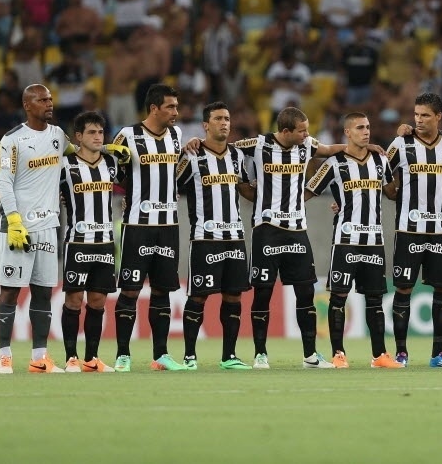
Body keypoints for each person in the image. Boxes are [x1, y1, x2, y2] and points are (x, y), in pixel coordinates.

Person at [235, 107, 379, 369]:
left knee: (305, 293)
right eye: (302, 131)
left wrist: (366, 148)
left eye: (307, 130)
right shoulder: (258, 144)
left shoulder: (307, 145)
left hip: (297, 231)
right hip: (266, 230)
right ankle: (260, 354)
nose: (307, 135)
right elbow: (227, 148)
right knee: (263, 293)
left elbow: (328, 149)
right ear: (286, 131)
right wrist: (198, 144)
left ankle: (310, 355)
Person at [305, 112, 402, 368]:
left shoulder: (380, 161)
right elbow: (309, 191)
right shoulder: (334, 163)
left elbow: (392, 192)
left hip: (374, 241)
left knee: (375, 300)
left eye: (368, 127)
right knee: (338, 297)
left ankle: (379, 355)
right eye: (360, 128)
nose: (366, 132)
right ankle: (339, 354)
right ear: (347, 132)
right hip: (346, 240)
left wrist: (405, 172)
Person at [0, 85, 72, 374]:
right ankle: (4, 356)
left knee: (43, 292)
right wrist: (13, 219)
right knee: (10, 292)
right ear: (28, 105)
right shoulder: (12, 140)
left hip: (49, 226)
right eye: (42, 100)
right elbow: (3, 182)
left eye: (51, 99)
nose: (49, 104)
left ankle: (40, 357)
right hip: (18, 227)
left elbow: (78, 161)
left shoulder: (59, 137)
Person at [109, 83, 187, 372]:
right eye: (170, 106)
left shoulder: (177, 135)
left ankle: (161, 355)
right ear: (154, 108)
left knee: (162, 291)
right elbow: (111, 171)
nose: (176, 112)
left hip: (169, 224)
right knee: (129, 291)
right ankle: (122, 355)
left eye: (176, 106)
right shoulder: (128, 136)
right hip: (137, 225)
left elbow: (177, 169)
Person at [385, 93, 442, 368]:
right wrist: (390, 191)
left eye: (425, 115)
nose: (418, 120)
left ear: (438, 117)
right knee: (404, 288)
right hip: (408, 229)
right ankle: (401, 353)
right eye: (416, 114)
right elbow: (380, 173)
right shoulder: (401, 143)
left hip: (440, 230)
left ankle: (438, 353)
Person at [176, 102, 256, 371]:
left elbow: (245, 188)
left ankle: (229, 356)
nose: (225, 123)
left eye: (228, 118)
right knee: (198, 296)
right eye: (218, 118)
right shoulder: (193, 156)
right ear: (205, 125)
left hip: (235, 236)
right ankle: (189, 356)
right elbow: (170, 185)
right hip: (204, 237)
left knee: (233, 297)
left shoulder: (237, 156)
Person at [59, 111, 123, 373]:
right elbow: (43, 189)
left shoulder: (112, 164)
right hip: (78, 243)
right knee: (73, 301)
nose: (98, 137)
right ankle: (71, 357)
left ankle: (92, 359)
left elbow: (135, 183)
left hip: (106, 243)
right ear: (78, 137)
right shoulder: (65, 165)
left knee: (98, 302)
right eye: (92, 133)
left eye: (100, 132)